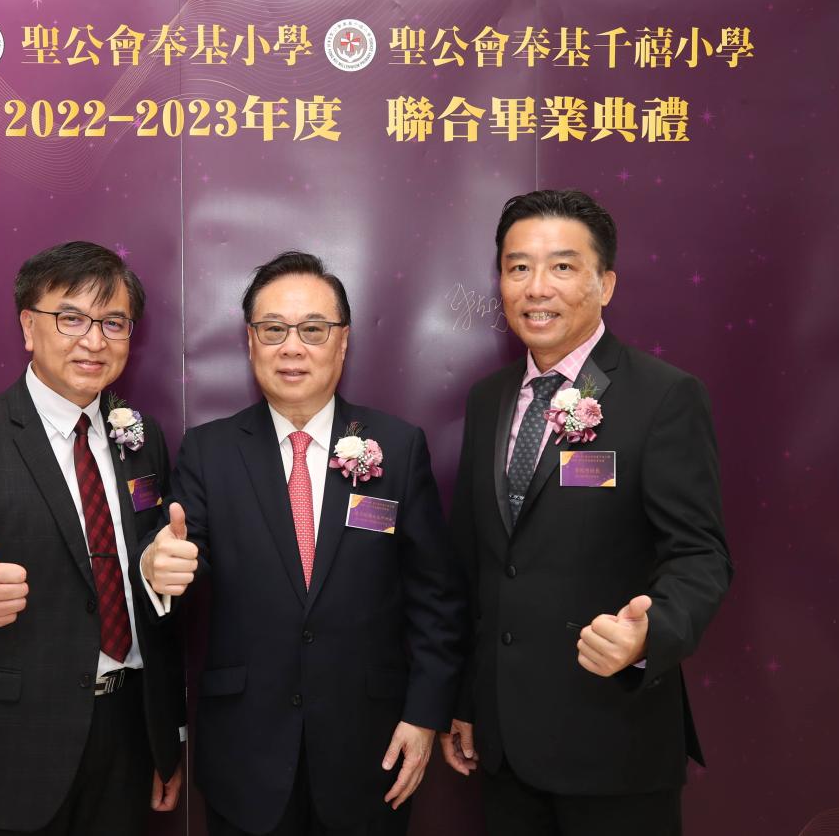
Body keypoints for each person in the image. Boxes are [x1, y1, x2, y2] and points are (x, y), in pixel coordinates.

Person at [140, 251, 468, 836]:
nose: (292, 347)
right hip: (245, 755)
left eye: (313, 330)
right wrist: (158, 566)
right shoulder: (209, 451)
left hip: (372, 753)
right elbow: (184, 559)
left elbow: (436, 599)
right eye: (273, 330)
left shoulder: (397, 447)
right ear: (250, 342)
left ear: (343, 342)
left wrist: (424, 716)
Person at [440, 190, 732, 836]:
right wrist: (466, 698)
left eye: (563, 267)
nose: (537, 287)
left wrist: (650, 634)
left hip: (612, 738)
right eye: (518, 267)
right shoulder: (489, 399)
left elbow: (700, 555)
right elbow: (478, 566)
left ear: (606, 284)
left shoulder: (664, 397)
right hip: (504, 745)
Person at [0, 241, 185, 835]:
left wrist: (165, 737)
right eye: (72, 318)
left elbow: (151, 593)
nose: (94, 340)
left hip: (128, 735)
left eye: (113, 322)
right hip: (10, 748)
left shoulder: (143, 439)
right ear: (28, 327)